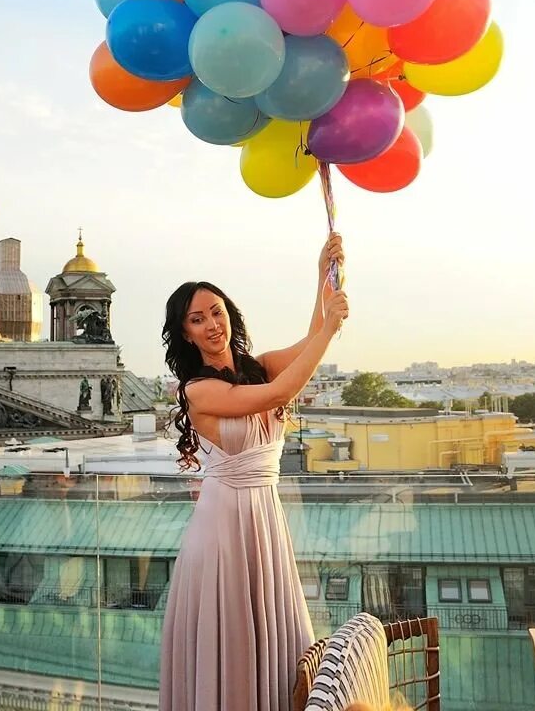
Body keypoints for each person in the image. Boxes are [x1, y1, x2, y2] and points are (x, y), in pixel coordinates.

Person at [159, 233, 348, 711]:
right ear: (185, 334)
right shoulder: (197, 390)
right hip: (224, 532)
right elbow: (280, 393)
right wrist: (331, 328)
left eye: (216, 312)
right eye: (197, 320)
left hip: (264, 519)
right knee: (237, 641)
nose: (211, 325)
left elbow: (310, 344)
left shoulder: (257, 366)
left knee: (271, 638)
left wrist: (323, 275)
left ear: (230, 314)